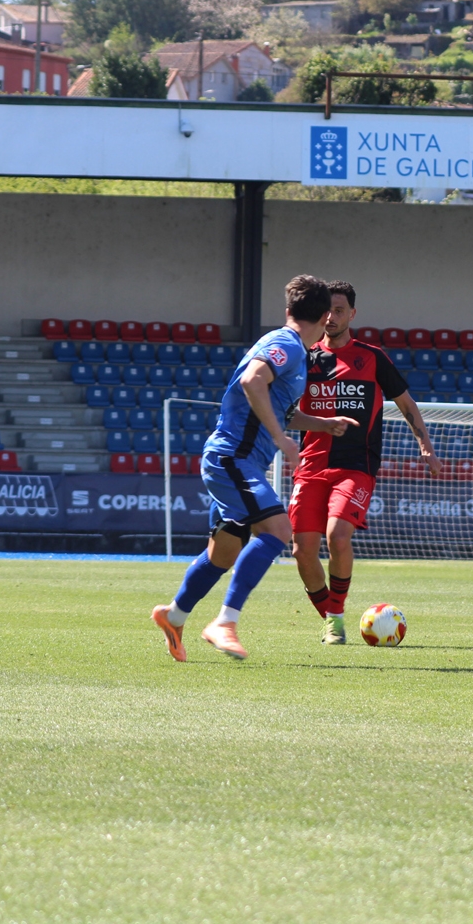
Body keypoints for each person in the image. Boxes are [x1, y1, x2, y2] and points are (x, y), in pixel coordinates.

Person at [151, 275, 359, 661]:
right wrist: (280, 439)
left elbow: (279, 407)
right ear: (326, 315)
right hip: (233, 458)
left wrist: (324, 425)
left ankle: (173, 615)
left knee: (224, 553)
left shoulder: (290, 349)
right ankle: (224, 623)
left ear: (288, 310)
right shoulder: (287, 345)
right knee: (279, 530)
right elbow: (252, 381)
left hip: (235, 461)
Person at [290, 281, 440, 645]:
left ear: (352, 314)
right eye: (327, 310)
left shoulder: (372, 358)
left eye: (340, 310)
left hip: (357, 465)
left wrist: (426, 447)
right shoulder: (303, 357)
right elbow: (285, 412)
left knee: (337, 536)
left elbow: (406, 404)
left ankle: (336, 616)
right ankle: (332, 619)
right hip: (310, 465)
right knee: (301, 550)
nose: (331, 316)